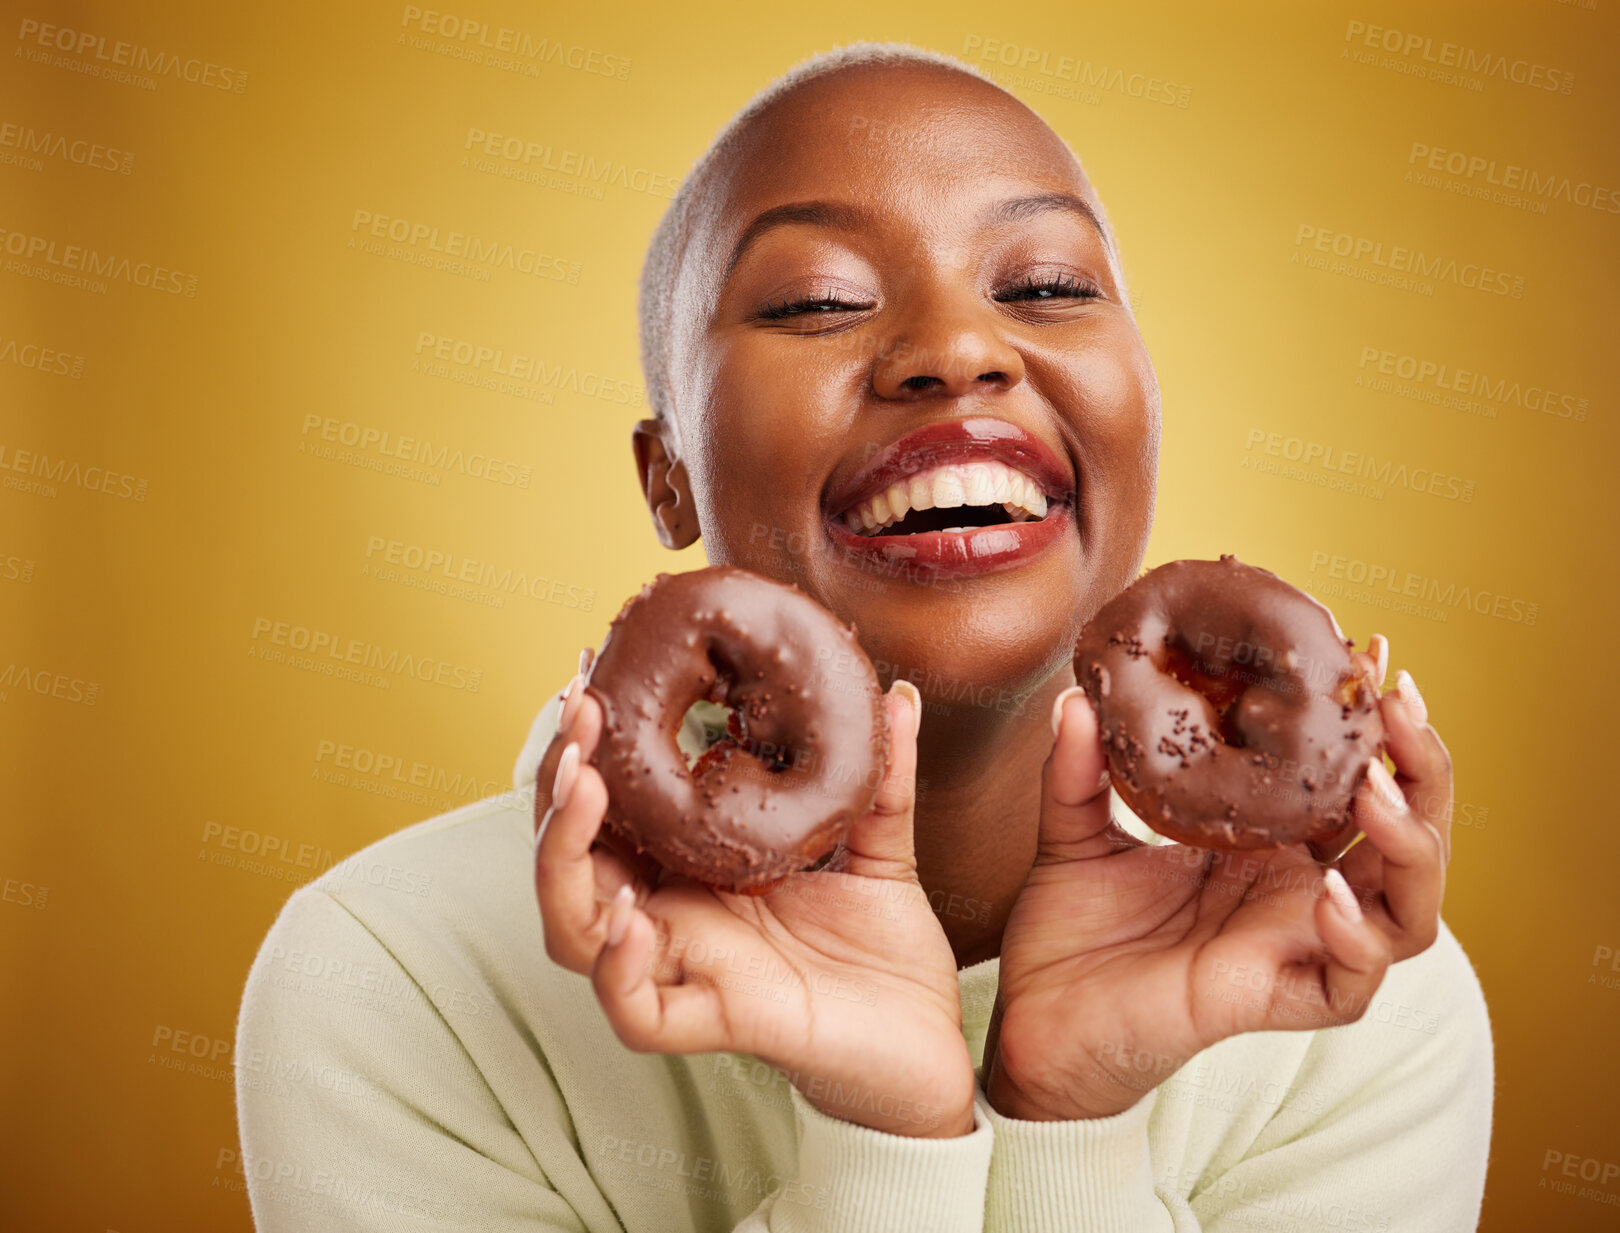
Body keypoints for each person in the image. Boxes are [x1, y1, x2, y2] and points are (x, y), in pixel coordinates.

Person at [235, 42, 1492, 1232]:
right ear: (666, 478)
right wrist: (886, 1138)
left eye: (1046, 286)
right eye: (818, 302)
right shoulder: (392, 977)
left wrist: (1072, 1115)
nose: (955, 350)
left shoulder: (1349, 995)